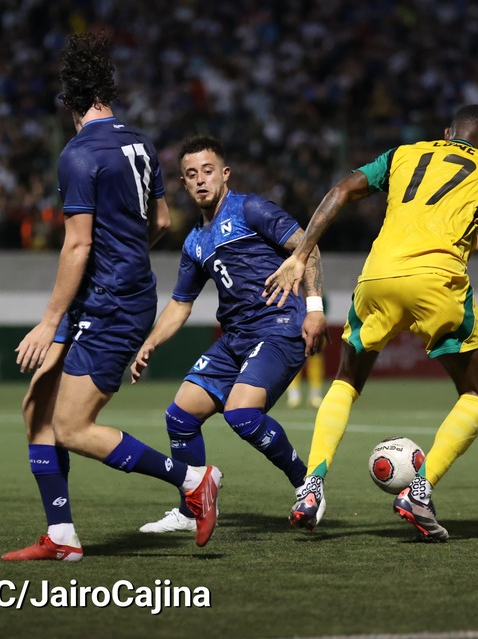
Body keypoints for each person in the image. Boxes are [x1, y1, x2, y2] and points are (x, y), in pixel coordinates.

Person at [264, 105, 478, 542]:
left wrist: (300, 255)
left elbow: (341, 190)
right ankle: (420, 491)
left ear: (446, 132)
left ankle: (311, 486)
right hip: (437, 281)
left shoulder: (403, 154)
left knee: (347, 380)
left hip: (377, 275)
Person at [2, 33, 222, 560]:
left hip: (110, 304)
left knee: (71, 427)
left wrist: (48, 319)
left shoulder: (78, 154)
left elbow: (77, 244)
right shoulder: (140, 143)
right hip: (110, 293)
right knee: (37, 407)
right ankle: (61, 536)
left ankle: (193, 479)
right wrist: (121, 256)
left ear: (69, 104)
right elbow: (162, 221)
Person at [131, 136, 329, 533]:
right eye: (191, 174)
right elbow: (181, 303)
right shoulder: (194, 242)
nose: (200, 180)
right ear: (184, 183)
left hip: (278, 327)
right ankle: (193, 511)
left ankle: (308, 485)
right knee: (180, 417)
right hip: (236, 336)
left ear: (224, 174)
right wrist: (150, 342)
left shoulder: (250, 209)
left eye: (207, 171)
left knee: (241, 414)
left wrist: (314, 309)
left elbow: (307, 248)